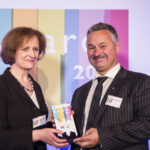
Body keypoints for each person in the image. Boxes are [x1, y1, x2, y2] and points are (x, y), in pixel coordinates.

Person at [71, 22, 150, 150]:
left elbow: (147, 124)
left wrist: (102, 136)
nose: (96, 53)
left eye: (103, 46)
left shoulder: (140, 82)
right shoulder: (80, 92)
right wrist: (62, 125)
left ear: (117, 46)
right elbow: (78, 134)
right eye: (91, 47)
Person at [0, 27, 69, 150]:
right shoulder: (2, 85)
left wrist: (55, 124)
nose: (32, 54)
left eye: (35, 49)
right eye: (26, 49)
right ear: (12, 51)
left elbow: (34, 124)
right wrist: (38, 135)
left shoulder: (35, 85)